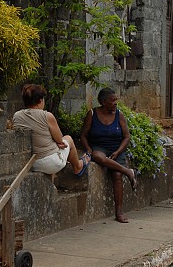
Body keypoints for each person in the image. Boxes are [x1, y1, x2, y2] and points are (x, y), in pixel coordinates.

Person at [81, 87, 137, 223]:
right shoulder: (92, 114)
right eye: (113, 101)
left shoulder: (119, 114)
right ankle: (128, 172)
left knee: (117, 175)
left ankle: (119, 212)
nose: (115, 103)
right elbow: (83, 136)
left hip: (116, 148)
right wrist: (88, 149)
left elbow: (126, 137)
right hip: (99, 147)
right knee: (97, 156)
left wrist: (118, 151)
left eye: (116, 101)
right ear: (104, 102)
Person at [13, 84, 90, 177]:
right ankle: (78, 166)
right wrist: (59, 142)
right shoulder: (47, 116)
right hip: (50, 163)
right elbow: (59, 139)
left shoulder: (17, 115)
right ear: (40, 100)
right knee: (68, 138)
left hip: (31, 163)